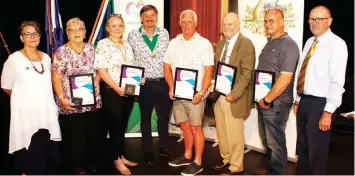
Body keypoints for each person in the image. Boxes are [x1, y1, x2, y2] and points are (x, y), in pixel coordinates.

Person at [1, 21, 61, 175]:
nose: (32, 37)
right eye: (28, 34)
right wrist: (24, 99)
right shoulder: (14, 59)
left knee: (45, 153)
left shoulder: (46, 58)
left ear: (40, 36)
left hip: (46, 113)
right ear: (22, 38)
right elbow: (6, 86)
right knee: (28, 154)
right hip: (26, 116)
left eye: (35, 33)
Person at [293, 6, 348, 175]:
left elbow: (337, 81)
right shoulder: (310, 42)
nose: (314, 23)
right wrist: (297, 99)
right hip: (305, 102)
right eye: (311, 19)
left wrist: (328, 111)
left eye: (319, 19)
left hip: (321, 104)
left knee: (317, 154)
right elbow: (302, 72)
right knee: (303, 148)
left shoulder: (337, 45)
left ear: (329, 21)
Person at [164, 9, 214, 175]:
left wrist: (201, 92)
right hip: (178, 94)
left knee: (195, 128)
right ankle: (187, 155)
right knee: (184, 126)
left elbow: (208, 71)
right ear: (179, 23)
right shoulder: (173, 43)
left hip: (195, 96)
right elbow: (166, 67)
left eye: (190, 21)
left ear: (195, 23)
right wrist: (171, 86)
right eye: (183, 21)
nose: (186, 24)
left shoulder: (204, 44)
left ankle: (197, 162)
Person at [51, 17, 103, 175]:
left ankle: (88, 161)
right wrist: (61, 99)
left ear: (85, 32)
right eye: (72, 29)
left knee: (90, 133)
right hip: (71, 102)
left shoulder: (91, 49)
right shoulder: (61, 52)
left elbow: (99, 70)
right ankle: (76, 164)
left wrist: (97, 80)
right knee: (74, 135)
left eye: (80, 29)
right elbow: (56, 77)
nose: (76, 32)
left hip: (92, 101)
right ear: (67, 33)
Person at [254, 9, 299, 175]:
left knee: (276, 143)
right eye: (265, 21)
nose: (267, 24)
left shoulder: (289, 45)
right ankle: (271, 170)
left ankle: (277, 173)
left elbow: (285, 78)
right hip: (264, 101)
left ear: (282, 22)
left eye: (271, 21)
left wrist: (267, 99)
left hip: (276, 104)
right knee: (267, 141)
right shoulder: (270, 42)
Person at [127, 5, 174, 165]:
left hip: (162, 82)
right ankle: (148, 151)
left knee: (163, 118)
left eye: (152, 15)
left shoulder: (164, 33)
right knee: (145, 118)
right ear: (141, 18)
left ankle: (163, 147)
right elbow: (129, 60)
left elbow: (169, 59)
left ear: (157, 17)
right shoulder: (133, 36)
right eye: (145, 16)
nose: (149, 18)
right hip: (144, 84)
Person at [95, 14, 140, 175]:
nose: (117, 28)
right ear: (107, 28)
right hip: (112, 91)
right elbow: (101, 70)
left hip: (127, 90)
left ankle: (121, 155)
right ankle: (117, 160)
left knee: (121, 125)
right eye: (113, 26)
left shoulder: (126, 44)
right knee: (114, 126)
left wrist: (137, 79)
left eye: (120, 25)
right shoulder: (102, 44)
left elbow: (131, 66)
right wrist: (116, 88)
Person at [211, 12, 256, 175]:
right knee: (222, 131)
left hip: (234, 97)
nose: (226, 27)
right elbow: (218, 69)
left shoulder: (246, 44)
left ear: (238, 24)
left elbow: (247, 73)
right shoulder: (221, 43)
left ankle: (236, 165)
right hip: (219, 95)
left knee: (234, 133)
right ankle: (227, 159)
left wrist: (234, 94)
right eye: (224, 24)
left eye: (230, 24)